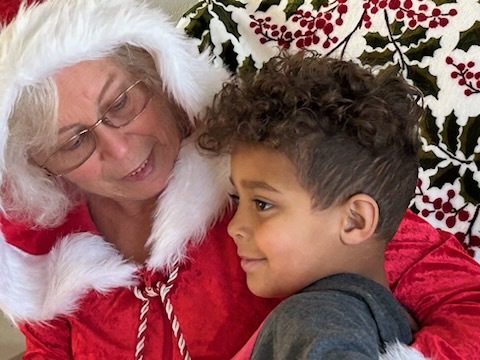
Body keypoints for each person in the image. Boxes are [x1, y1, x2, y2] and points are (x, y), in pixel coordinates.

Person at [0, 0, 479, 359]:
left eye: (121, 103)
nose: (120, 149)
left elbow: (467, 303)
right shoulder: (47, 257)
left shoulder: (266, 174)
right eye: (73, 141)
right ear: (38, 162)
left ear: (160, 75)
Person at [197, 51, 420, 359]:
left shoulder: (312, 319)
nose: (235, 227)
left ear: (354, 220)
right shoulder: (387, 317)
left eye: (262, 204)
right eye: (238, 199)